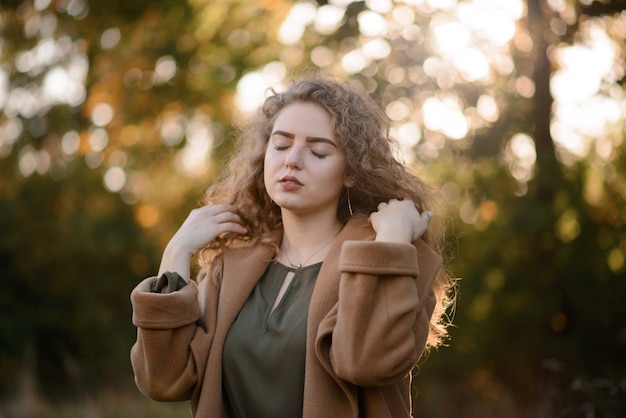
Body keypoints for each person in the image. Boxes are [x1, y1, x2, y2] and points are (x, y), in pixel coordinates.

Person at [130, 75, 456, 418]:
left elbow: (366, 363)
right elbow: (163, 380)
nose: (293, 160)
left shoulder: (394, 256)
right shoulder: (231, 267)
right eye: (281, 145)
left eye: (318, 151)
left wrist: (391, 242)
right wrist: (177, 251)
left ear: (351, 172)